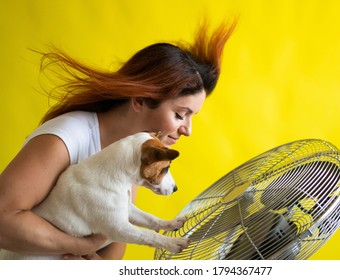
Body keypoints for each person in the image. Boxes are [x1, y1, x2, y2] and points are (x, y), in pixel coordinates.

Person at [0, 19, 236, 260]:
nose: (187, 130)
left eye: (192, 117)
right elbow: (3, 218)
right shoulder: (65, 137)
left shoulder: (134, 151)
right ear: (141, 100)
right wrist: (80, 247)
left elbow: (113, 236)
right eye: (180, 115)